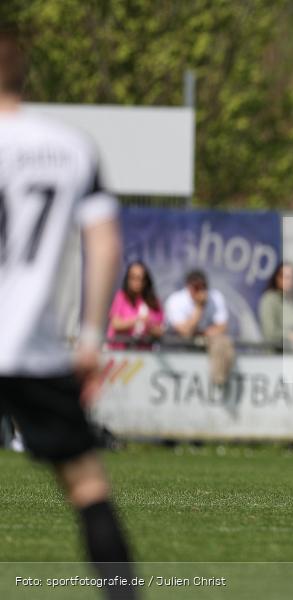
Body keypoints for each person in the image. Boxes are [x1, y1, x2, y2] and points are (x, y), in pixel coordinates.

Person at [0, 31, 135, 598]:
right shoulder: (70, 145)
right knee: (86, 487)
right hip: (33, 347)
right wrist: (88, 339)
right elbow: (104, 246)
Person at [165, 269, 234, 385]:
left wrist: (203, 333)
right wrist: (199, 307)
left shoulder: (215, 297)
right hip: (177, 345)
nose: (201, 291)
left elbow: (222, 327)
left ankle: (219, 381)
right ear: (188, 287)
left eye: (204, 287)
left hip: (204, 339)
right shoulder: (176, 300)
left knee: (224, 342)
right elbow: (185, 332)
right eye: (197, 287)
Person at [106, 260, 164, 349]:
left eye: (140, 278)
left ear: (146, 281)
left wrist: (148, 325)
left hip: (145, 353)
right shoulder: (121, 297)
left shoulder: (153, 302)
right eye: (133, 278)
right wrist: (137, 320)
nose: (136, 282)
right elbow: (116, 324)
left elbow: (160, 331)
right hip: (120, 352)